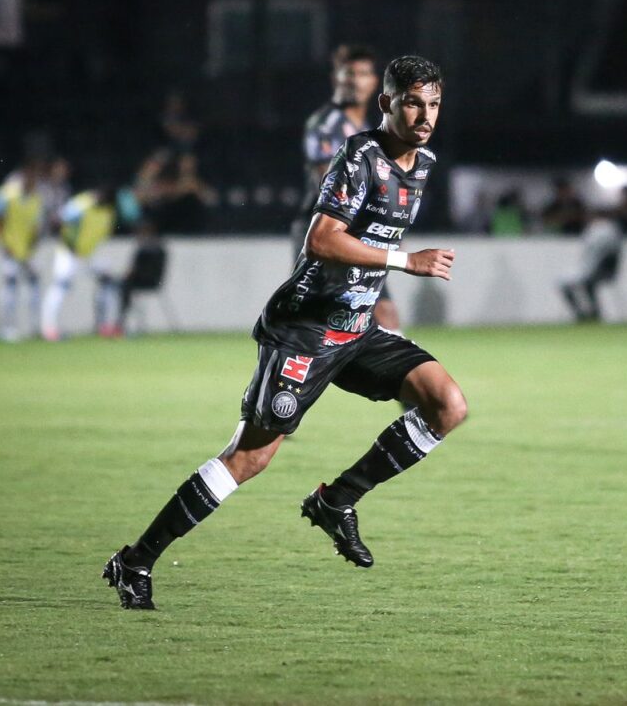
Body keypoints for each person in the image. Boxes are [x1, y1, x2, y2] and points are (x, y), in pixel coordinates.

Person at [102, 56, 466, 611]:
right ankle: (136, 560)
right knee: (249, 458)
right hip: (307, 328)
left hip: (359, 330)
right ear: (386, 103)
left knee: (447, 404)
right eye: (413, 102)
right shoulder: (359, 157)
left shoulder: (423, 163)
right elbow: (320, 241)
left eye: (433, 103)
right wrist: (403, 260)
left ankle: (337, 500)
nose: (425, 115)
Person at [291, 45, 399, 331]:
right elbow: (328, 182)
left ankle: (393, 373)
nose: (356, 80)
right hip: (325, 231)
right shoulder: (325, 125)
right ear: (336, 78)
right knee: (317, 324)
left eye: (363, 73)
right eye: (349, 73)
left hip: (357, 233)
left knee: (382, 312)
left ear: (375, 81)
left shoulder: (367, 126)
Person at [40, 187, 131, 340]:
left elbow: (103, 232)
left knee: (107, 281)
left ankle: (104, 325)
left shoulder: (108, 211)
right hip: (68, 253)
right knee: (61, 286)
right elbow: (58, 221)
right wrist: (70, 243)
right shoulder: (81, 205)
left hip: (87, 254)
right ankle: (49, 328)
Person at [0, 160, 45, 341]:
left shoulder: (36, 199)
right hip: (10, 249)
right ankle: (8, 328)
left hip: (28, 251)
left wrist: (33, 247)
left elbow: (36, 227)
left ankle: (34, 327)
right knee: (10, 286)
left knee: (35, 285)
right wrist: (2, 244)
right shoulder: (7, 195)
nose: (32, 183)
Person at [560, 208, 624, 322]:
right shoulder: (610, 230)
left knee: (582, 283)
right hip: (596, 269)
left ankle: (583, 314)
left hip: (600, 269)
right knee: (585, 284)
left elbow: (602, 254)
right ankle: (592, 313)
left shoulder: (600, 231)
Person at [111, 220, 168, 335]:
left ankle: (119, 322)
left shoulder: (143, 250)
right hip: (155, 282)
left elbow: (132, 271)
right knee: (123, 286)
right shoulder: (160, 248)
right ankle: (119, 322)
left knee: (121, 286)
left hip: (140, 282)